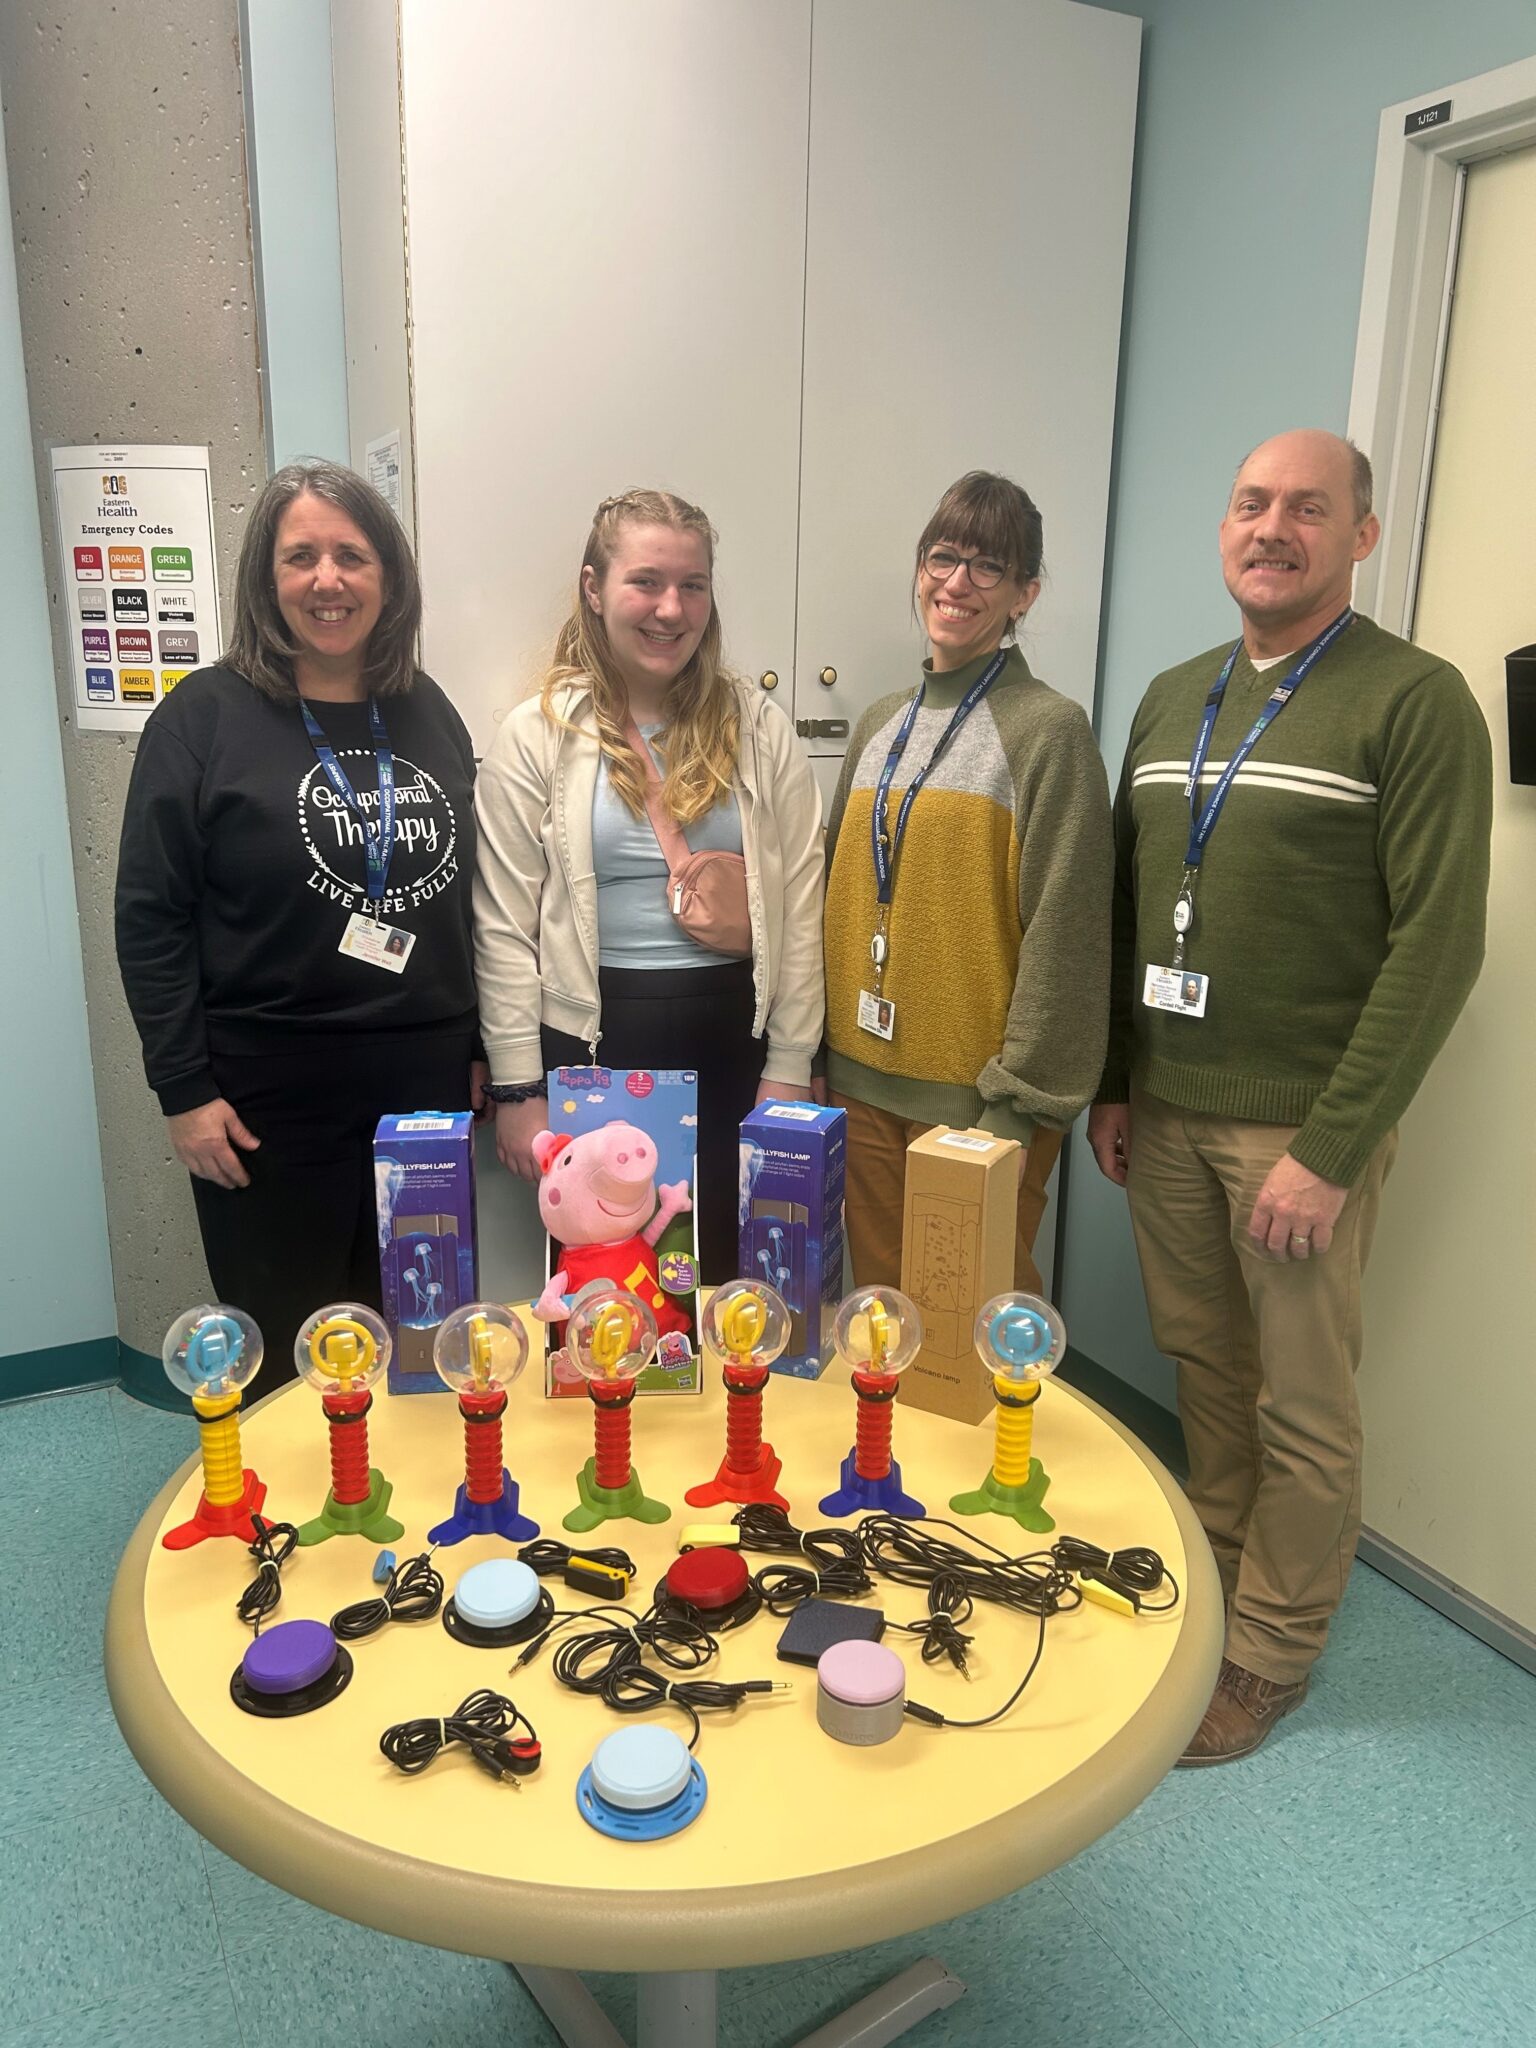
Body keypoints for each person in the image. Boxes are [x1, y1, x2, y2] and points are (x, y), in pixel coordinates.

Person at [1088, 429, 1492, 1765]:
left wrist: (1332, 1147)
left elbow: (1439, 945)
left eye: (1308, 509)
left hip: (1297, 1131)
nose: (1273, 528)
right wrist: (1112, 1083)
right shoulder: (1170, 695)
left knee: (1303, 1401)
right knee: (1205, 1358)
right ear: (1223, 531)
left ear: (1360, 536)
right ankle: (1213, 1559)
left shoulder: (1415, 701)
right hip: (1169, 1102)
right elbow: (1129, 904)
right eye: (1251, 503)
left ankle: (1270, 1653)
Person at [116, 460, 485, 1394]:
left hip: (422, 1084)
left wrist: (481, 1043)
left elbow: (473, 896)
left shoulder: (425, 709)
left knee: (419, 1340)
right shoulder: (201, 719)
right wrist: (182, 1089)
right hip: (266, 1098)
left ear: (388, 579)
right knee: (292, 1352)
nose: (329, 580)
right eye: (301, 557)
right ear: (265, 581)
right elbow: (150, 914)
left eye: (353, 556)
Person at [474, 488, 824, 1283]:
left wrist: (792, 1064)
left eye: (693, 585)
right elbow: (502, 925)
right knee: (605, 1283)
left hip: (738, 1039)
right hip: (591, 1042)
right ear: (594, 589)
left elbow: (801, 904)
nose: (671, 608)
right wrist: (520, 1081)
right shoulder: (537, 734)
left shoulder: (760, 729)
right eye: (646, 582)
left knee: (730, 1279)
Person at [822, 470, 1113, 1291]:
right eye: (943, 557)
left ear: (1025, 593)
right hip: (858, 1084)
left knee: (966, 1345)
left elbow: (1069, 930)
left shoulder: (1049, 730)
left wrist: (1015, 1105)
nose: (958, 582)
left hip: (981, 1102)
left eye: (988, 567)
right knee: (880, 1327)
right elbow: (841, 894)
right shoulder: (880, 724)